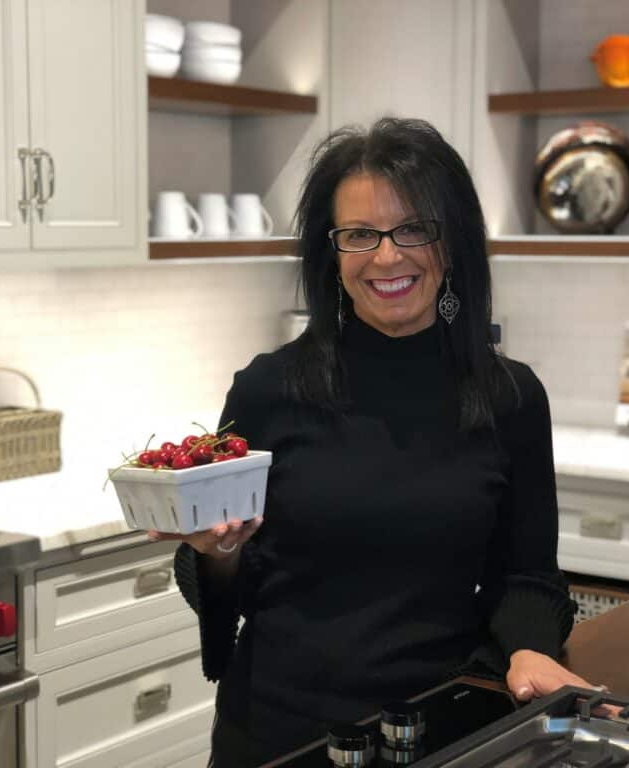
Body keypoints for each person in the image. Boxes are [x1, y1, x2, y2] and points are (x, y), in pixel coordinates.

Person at [148, 117, 599, 767]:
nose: (387, 257)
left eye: (414, 229)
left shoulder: (510, 399)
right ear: (329, 252)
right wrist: (215, 555)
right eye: (360, 235)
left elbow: (527, 577)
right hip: (277, 733)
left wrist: (531, 648)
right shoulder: (267, 390)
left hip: (441, 726)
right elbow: (226, 588)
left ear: (455, 241)